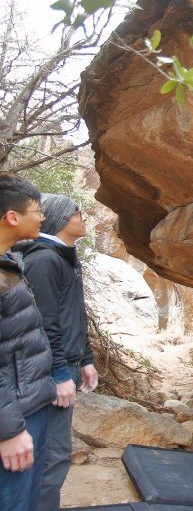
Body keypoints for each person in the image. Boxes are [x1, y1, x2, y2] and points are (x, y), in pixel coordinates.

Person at [14, 193, 98, 511]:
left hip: (66, 365)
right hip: (50, 372)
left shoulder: (62, 256)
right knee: (52, 455)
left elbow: (73, 315)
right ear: (63, 218)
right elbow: (44, 323)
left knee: (53, 453)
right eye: (78, 211)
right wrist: (60, 373)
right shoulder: (44, 260)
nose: (83, 216)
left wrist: (86, 360)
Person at [0, 175, 57, 511]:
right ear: (12, 217)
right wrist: (8, 430)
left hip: (28, 404)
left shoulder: (10, 262)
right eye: (37, 210)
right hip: (14, 416)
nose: (42, 218)